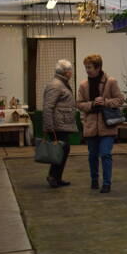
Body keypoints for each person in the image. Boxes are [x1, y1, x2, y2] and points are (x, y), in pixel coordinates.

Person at [76, 54, 124, 193]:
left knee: (105, 154)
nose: (87, 70)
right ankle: (94, 180)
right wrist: (91, 104)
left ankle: (107, 183)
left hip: (107, 125)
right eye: (85, 67)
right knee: (92, 156)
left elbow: (120, 99)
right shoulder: (83, 85)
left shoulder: (111, 82)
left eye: (89, 67)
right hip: (90, 126)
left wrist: (106, 102)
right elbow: (79, 104)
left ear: (98, 67)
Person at [42, 59, 78, 188]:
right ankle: (53, 177)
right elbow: (48, 107)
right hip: (58, 125)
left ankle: (56, 177)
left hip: (61, 123)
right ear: (66, 72)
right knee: (61, 151)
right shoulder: (56, 85)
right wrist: (49, 127)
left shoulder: (61, 83)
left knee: (62, 151)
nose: (71, 73)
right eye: (70, 70)